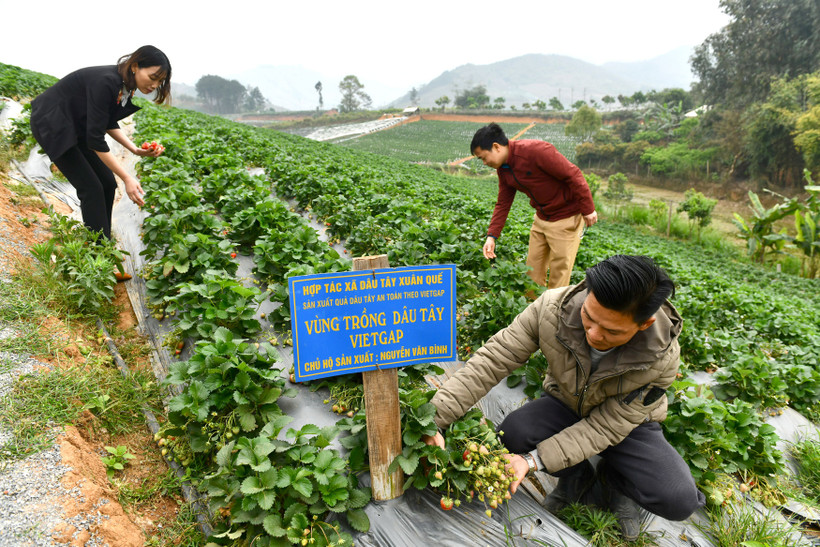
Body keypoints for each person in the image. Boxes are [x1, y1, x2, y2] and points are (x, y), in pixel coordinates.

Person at [423, 255, 705, 541]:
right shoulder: (552, 308)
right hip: (566, 403)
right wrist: (434, 419)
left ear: (644, 324)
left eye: (611, 331)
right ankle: (576, 475)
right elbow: (496, 357)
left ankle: (616, 480)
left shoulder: (661, 357)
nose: (594, 334)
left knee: (678, 499)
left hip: (626, 425)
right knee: (514, 434)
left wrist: (531, 462)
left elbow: (606, 427)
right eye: (589, 317)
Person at [30, 45, 171, 278]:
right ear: (136, 66)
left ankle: (101, 247)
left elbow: (107, 122)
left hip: (76, 126)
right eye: (153, 77)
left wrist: (134, 149)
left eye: (160, 81)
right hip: (53, 124)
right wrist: (127, 176)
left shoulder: (124, 84)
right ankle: (101, 262)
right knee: (91, 187)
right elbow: (96, 140)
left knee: (106, 183)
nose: (155, 85)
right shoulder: (107, 81)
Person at [472, 122, 597, 289]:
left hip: (566, 218)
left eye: (483, 157)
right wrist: (491, 236)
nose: (484, 163)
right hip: (541, 218)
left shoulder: (536, 151)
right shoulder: (503, 169)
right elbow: (503, 202)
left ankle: (552, 313)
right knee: (531, 272)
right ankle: (531, 310)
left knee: (558, 276)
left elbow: (573, 174)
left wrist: (588, 209)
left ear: (496, 147)